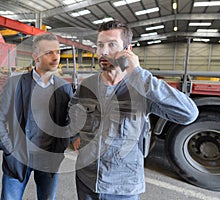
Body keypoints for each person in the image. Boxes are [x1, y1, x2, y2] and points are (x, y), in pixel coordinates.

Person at [69, 20, 199, 200]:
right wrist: (74, 135)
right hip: (86, 180)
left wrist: (139, 74)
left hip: (122, 187)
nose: (103, 52)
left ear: (127, 49)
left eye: (112, 45)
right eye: (100, 45)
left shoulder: (142, 88)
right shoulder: (89, 85)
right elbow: (74, 108)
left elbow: (188, 114)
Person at [0, 33, 73, 200]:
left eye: (58, 52)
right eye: (49, 52)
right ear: (35, 56)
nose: (56, 57)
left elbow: (68, 122)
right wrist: (9, 149)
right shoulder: (15, 84)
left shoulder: (64, 88)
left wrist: (61, 148)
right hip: (19, 157)